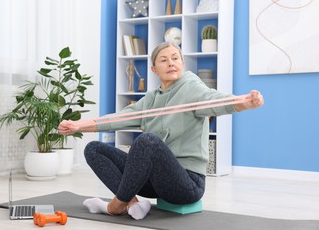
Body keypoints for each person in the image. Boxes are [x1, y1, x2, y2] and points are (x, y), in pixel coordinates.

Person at [58, 41, 264, 220]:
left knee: (147, 141)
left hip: (186, 184)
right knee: (94, 149)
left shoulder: (191, 87)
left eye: (175, 58)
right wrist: (79, 125)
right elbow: (120, 118)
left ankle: (115, 206)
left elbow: (215, 101)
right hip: (154, 183)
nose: (171, 63)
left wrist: (245, 102)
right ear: (154, 69)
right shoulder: (152, 98)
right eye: (164, 60)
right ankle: (133, 203)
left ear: (183, 63)